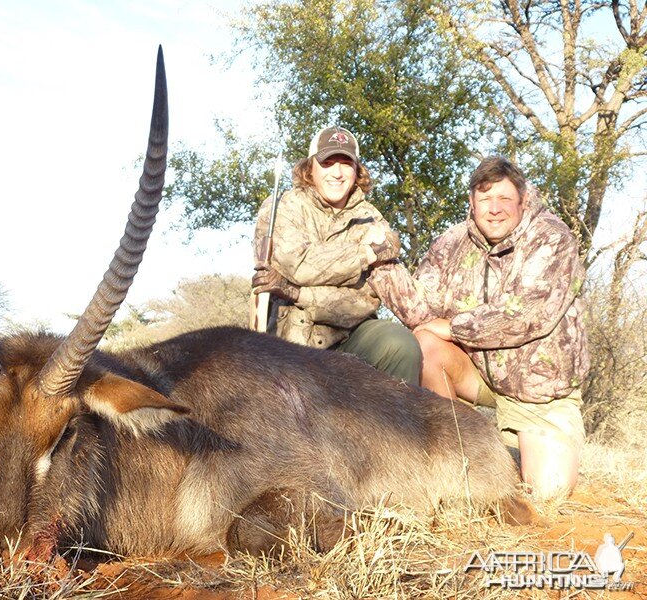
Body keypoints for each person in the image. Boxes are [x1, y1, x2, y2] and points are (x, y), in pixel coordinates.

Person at [369, 156, 589, 499]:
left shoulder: (552, 238)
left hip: (538, 392)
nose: (495, 209)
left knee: (547, 492)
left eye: (504, 199)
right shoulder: (451, 242)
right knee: (424, 342)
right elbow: (421, 311)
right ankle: (455, 450)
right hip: (479, 374)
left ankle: (512, 449)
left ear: (522, 200)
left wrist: (455, 328)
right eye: (485, 199)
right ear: (472, 203)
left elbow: (525, 315)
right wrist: (383, 262)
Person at [251, 126, 422, 385]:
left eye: (346, 163)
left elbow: (365, 298)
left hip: (351, 334)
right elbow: (299, 264)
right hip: (288, 340)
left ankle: (401, 425)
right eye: (328, 162)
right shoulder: (281, 207)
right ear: (310, 168)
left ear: (357, 171)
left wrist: (296, 292)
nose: (338, 173)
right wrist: (365, 254)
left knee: (400, 345)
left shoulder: (372, 217)